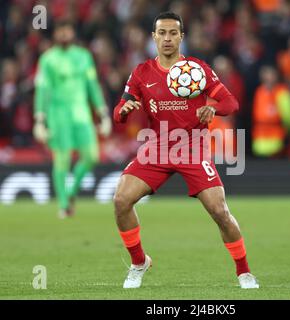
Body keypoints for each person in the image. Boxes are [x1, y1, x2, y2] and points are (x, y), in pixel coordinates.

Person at [113, 12, 259, 289]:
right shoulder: (141, 72)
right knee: (121, 200)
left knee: (219, 210)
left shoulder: (198, 70)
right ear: (153, 37)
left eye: (173, 33)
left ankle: (244, 271)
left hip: (192, 148)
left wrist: (212, 107)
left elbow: (231, 103)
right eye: (162, 33)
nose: (167, 38)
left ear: (181, 36)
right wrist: (125, 110)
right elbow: (119, 111)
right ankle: (139, 261)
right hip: (157, 148)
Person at [33, 21, 111, 218]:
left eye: (67, 30)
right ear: (56, 34)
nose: (64, 34)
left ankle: (69, 193)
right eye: (61, 30)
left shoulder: (84, 56)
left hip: (81, 113)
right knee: (62, 159)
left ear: (72, 33)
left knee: (91, 156)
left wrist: (103, 113)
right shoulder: (48, 59)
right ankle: (64, 205)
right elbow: (42, 90)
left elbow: (93, 86)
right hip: (58, 114)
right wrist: (39, 120)